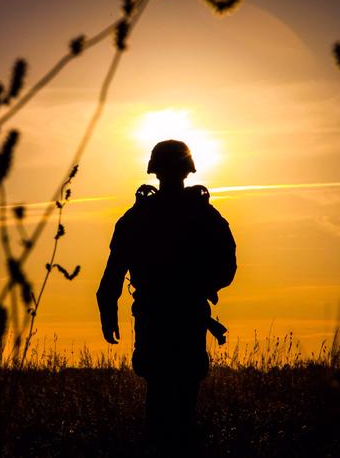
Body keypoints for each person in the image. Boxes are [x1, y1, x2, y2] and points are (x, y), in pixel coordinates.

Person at [96, 140, 237, 450]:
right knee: (180, 393)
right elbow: (228, 266)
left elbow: (112, 275)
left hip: (157, 314)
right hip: (183, 314)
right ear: (189, 170)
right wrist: (200, 288)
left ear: (154, 170)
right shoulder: (204, 216)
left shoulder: (137, 218)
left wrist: (108, 311)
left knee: (162, 391)